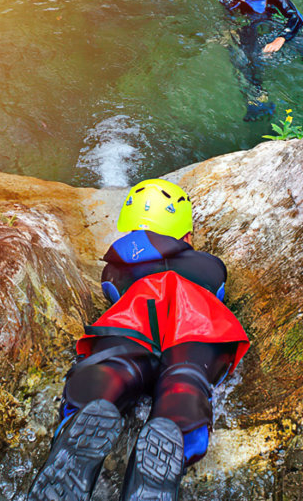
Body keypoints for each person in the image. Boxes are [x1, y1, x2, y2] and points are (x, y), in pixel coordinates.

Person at [28, 179, 250, 501]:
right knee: (187, 377)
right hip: (194, 323)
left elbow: (112, 295)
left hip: (134, 320)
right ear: (187, 236)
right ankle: (176, 423)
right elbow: (218, 292)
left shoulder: (116, 270)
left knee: (115, 363)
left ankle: (90, 405)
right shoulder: (210, 267)